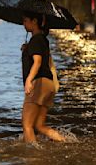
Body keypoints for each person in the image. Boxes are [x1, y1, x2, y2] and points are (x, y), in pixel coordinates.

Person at [21, 11, 65, 143]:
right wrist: (27, 48)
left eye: (25, 20)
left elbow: (38, 61)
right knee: (39, 125)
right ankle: (66, 142)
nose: (23, 24)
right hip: (48, 84)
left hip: (39, 83)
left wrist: (29, 80)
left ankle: (33, 158)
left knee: (27, 125)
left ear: (34, 21)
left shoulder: (36, 40)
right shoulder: (42, 40)